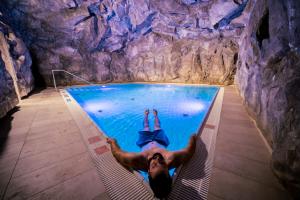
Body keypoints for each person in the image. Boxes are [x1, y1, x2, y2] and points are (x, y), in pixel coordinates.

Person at [107, 109, 197, 199]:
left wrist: (113, 142)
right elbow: (189, 151)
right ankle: (155, 115)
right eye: (162, 163)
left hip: (145, 141)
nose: (157, 158)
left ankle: (145, 115)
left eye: (154, 165)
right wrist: (192, 138)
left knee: (146, 126)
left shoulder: (137, 160)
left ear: (149, 172)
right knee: (157, 126)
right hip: (160, 140)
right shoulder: (171, 158)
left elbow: (117, 154)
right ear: (167, 170)